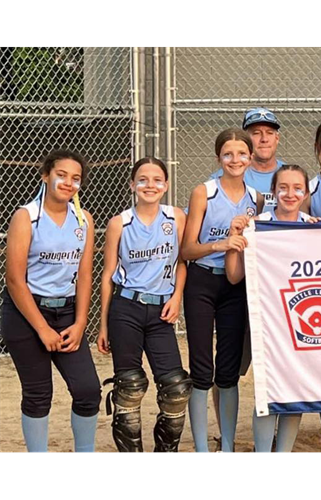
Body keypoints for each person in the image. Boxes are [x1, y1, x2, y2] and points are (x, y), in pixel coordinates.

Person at [2, 149, 101, 453]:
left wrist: (81, 322)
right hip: (26, 313)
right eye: (61, 175)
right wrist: (42, 329)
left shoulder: (83, 219)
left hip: (67, 312)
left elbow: (85, 276)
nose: (68, 182)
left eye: (76, 178)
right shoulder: (26, 217)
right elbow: (15, 280)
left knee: (88, 391)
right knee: (38, 393)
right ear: (46, 175)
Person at [98, 157, 192, 453]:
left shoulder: (176, 217)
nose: (149, 185)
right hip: (126, 309)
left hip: (162, 310)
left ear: (165, 185)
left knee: (176, 388)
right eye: (143, 179)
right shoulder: (119, 223)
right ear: (132, 185)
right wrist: (102, 325)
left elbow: (182, 261)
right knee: (130, 385)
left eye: (156, 180)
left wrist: (177, 298)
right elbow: (107, 276)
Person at [182, 128, 262, 452]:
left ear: (251, 158)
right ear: (219, 158)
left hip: (236, 284)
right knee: (202, 370)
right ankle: (202, 445)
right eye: (228, 154)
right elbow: (187, 249)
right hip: (201, 281)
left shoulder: (255, 198)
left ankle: (226, 443)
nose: (235, 160)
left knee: (227, 370)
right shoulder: (204, 191)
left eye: (242, 154)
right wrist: (220, 243)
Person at [225, 164, 316, 453]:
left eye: (297, 188)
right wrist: (233, 238)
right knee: (266, 393)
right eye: (283, 187)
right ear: (273, 191)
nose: (290, 194)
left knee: (293, 391)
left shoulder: (313, 227)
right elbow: (234, 276)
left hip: (300, 321)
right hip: (265, 321)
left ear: (306, 192)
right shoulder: (257, 225)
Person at [210, 107, 285, 207]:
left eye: (269, 133)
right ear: (245, 139)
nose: (264, 139)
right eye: (256, 133)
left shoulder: (290, 175)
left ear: (277, 138)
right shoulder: (224, 176)